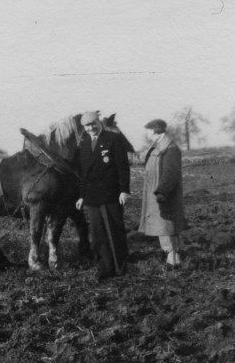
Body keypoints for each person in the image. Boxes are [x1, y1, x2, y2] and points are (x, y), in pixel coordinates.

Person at [74, 111, 131, 280]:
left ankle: (120, 267)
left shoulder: (112, 139)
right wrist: (81, 196)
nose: (90, 128)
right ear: (83, 127)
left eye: (93, 124)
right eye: (87, 126)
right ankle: (105, 268)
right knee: (98, 234)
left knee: (114, 231)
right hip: (92, 197)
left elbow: (123, 167)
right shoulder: (83, 143)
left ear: (99, 123)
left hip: (111, 194)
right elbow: (84, 173)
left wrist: (124, 190)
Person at [139, 119, 187, 270]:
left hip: (164, 196)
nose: (146, 134)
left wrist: (163, 192)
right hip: (157, 195)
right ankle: (172, 259)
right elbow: (141, 158)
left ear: (154, 130)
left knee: (168, 228)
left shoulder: (170, 148)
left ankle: (173, 260)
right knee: (163, 228)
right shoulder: (158, 146)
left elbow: (171, 174)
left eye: (147, 130)